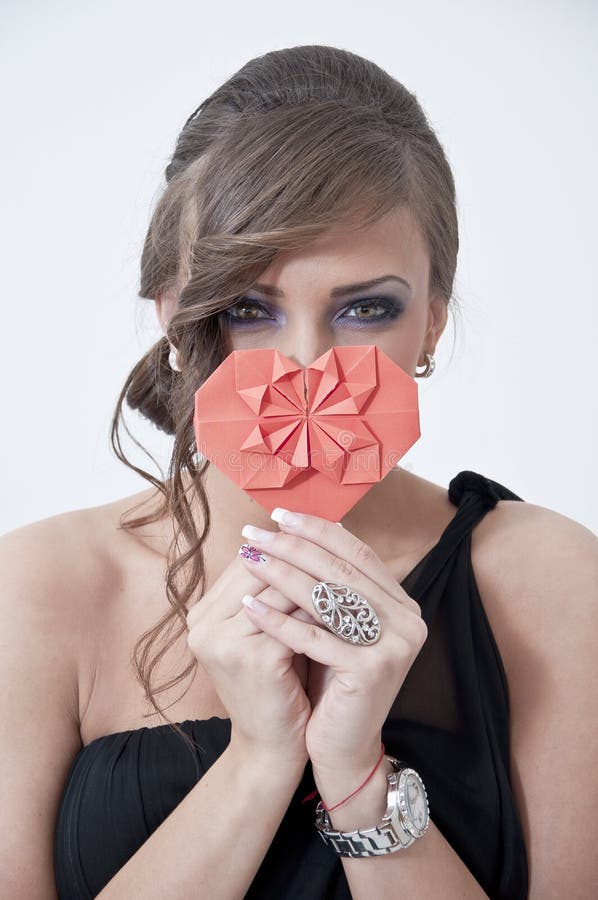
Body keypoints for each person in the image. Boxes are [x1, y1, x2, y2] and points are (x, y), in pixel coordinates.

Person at [2, 43, 597, 900]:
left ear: (430, 323)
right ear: (177, 317)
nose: (308, 363)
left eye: (367, 309)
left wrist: (357, 772)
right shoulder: (37, 589)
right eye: (249, 308)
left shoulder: (549, 581)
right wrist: (259, 759)